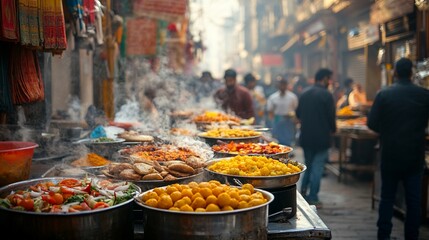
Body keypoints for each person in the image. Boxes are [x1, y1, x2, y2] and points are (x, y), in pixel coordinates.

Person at [367, 57, 429, 240]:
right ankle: (412, 236)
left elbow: (372, 122)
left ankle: (383, 235)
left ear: (394, 72)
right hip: (414, 156)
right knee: (414, 201)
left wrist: (387, 131)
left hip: (390, 154)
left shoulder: (384, 94)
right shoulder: (424, 95)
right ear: (412, 73)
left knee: (387, 198)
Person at [296, 68, 336, 208]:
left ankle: (302, 193)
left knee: (308, 164)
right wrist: (334, 130)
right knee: (317, 167)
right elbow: (331, 118)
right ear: (324, 78)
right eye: (329, 79)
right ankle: (313, 197)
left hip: (306, 136)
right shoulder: (327, 95)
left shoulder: (304, 93)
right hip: (321, 138)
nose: (330, 82)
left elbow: (298, 114)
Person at [266, 77, 298, 146]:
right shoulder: (273, 97)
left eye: (284, 85)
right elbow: (270, 111)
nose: (283, 87)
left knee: (288, 139)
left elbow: (296, 109)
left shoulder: (292, 97)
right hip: (277, 120)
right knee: (277, 140)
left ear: (287, 85)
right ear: (278, 85)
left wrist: (295, 120)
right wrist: (271, 122)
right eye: (281, 85)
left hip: (288, 121)